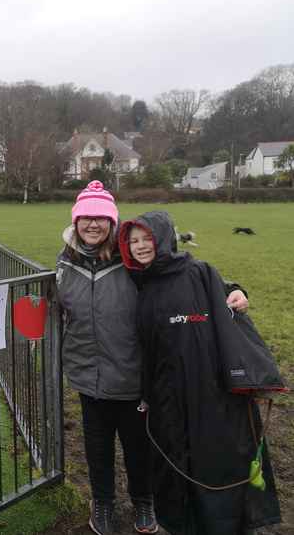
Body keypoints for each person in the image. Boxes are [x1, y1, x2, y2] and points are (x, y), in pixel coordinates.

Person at [56, 181, 248, 535]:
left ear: (112, 223)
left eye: (101, 218)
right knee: (96, 446)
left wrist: (231, 290)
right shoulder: (65, 264)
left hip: (132, 375)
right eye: (86, 218)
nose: (93, 225)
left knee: (137, 446)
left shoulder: (131, 263)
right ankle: (103, 503)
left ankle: (144, 501)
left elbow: (181, 277)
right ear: (76, 222)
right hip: (86, 373)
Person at [118, 210, 284, 535]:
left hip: (211, 390)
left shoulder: (198, 272)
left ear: (163, 238)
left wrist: (237, 291)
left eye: (146, 238)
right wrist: (148, 395)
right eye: (133, 241)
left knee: (217, 459)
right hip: (167, 395)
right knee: (175, 460)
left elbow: (225, 297)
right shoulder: (142, 285)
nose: (139, 246)